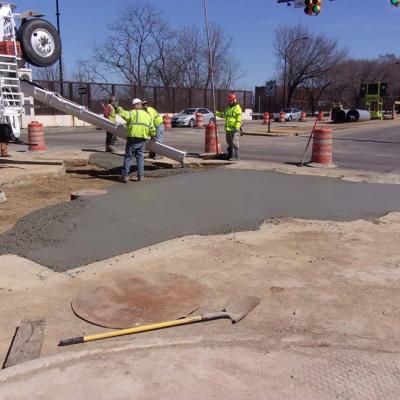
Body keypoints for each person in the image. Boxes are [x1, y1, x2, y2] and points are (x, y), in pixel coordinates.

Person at [116, 98, 156, 183]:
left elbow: (122, 113)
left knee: (128, 157)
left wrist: (117, 107)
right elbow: (152, 128)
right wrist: (153, 135)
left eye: (133, 105)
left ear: (135, 105)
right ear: (140, 105)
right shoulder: (147, 115)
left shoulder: (131, 113)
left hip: (132, 139)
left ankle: (125, 176)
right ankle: (140, 176)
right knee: (140, 157)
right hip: (142, 139)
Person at [216, 93, 243, 161]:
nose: (230, 102)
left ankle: (236, 157)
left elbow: (239, 119)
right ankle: (231, 155)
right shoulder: (228, 108)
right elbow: (223, 115)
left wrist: (237, 127)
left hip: (234, 129)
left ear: (234, 100)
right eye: (229, 100)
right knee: (229, 142)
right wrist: (216, 113)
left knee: (235, 143)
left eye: (231, 100)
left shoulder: (237, 108)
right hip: (228, 129)